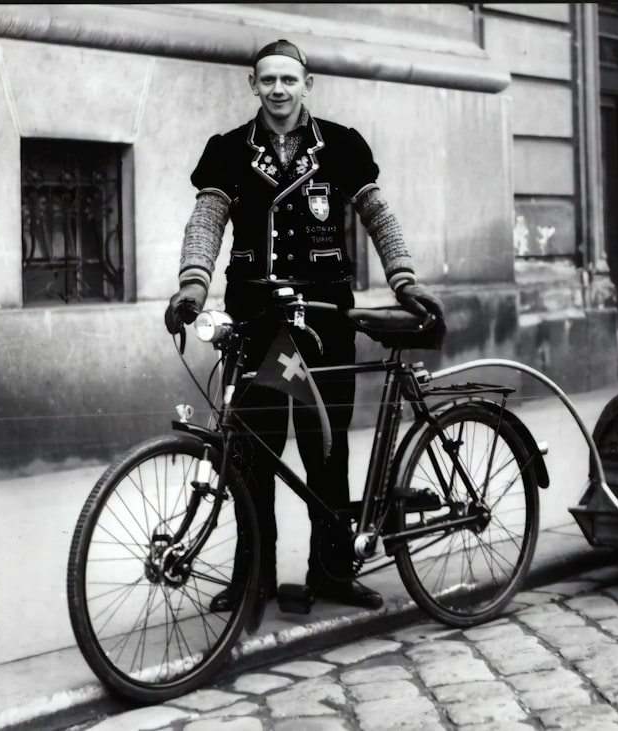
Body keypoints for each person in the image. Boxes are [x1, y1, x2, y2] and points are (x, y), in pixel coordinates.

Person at [164, 39, 444, 611]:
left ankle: (333, 573)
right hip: (257, 321)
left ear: (306, 83)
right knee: (252, 452)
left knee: (327, 446)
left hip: (323, 319)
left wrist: (404, 279)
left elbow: (378, 215)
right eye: (268, 80)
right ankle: (254, 578)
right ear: (254, 86)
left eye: (289, 80)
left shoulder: (339, 145)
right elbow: (207, 219)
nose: (279, 90)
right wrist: (193, 281)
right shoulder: (228, 151)